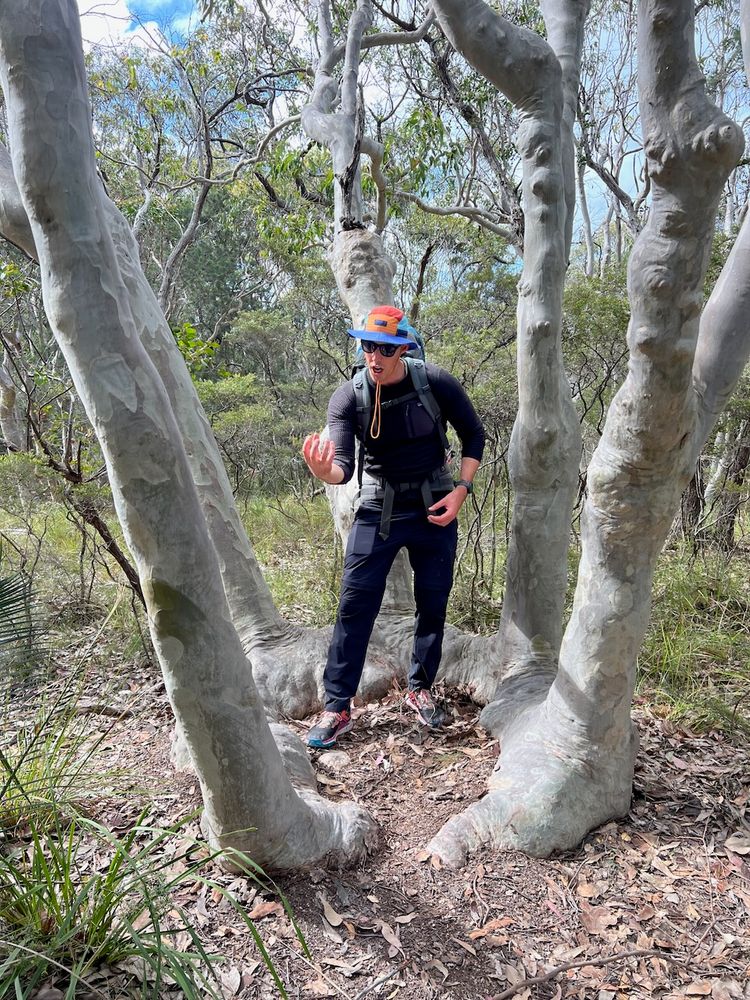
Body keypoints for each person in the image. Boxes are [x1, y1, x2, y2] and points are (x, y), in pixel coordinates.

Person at [302, 305, 485, 748]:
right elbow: (343, 467)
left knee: (433, 602)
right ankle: (337, 706)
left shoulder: (435, 382)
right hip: (378, 508)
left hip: (435, 505)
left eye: (385, 347)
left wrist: (460, 489)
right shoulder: (348, 397)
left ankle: (420, 689)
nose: (375, 356)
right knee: (354, 605)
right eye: (368, 346)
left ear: (403, 347)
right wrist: (323, 472)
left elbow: (474, 435)